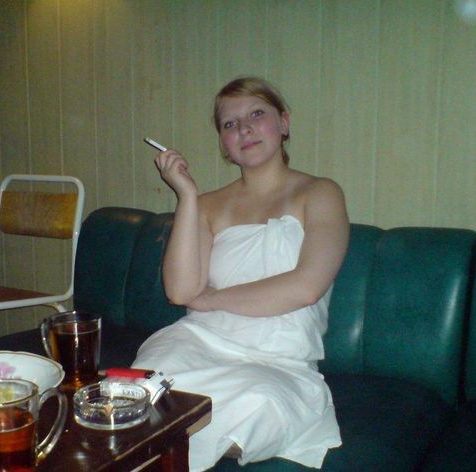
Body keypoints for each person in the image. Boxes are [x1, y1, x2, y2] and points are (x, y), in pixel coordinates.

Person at [132, 76, 349, 471]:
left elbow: (306, 287)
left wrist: (212, 299)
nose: (244, 129)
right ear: (224, 144)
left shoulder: (321, 193)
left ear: (284, 123)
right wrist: (187, 196)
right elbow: (181, 291)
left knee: (257, 405)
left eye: (256, 114)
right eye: (230, 124)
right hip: (200, 342)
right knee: (149, 385)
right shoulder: (208, 205)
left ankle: (166, 442)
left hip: (278, 360)